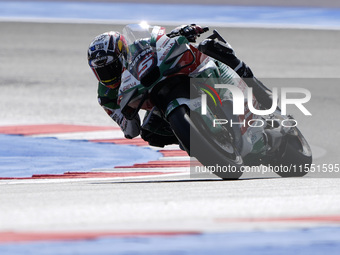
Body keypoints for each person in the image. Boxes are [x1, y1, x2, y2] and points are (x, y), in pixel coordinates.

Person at [87, 25, 273, 147]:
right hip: (155, 98)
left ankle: (257, 88)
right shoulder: (106, 96)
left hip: (175, 74)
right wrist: (125, 111)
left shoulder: (138, 46)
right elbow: (131, 131)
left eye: (112, 67)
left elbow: (163, 40)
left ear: (122, 53)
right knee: (151, 134)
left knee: (208, 46)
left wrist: (184, 30)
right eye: (102, 71)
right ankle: (202, 137)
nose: (109, 75)